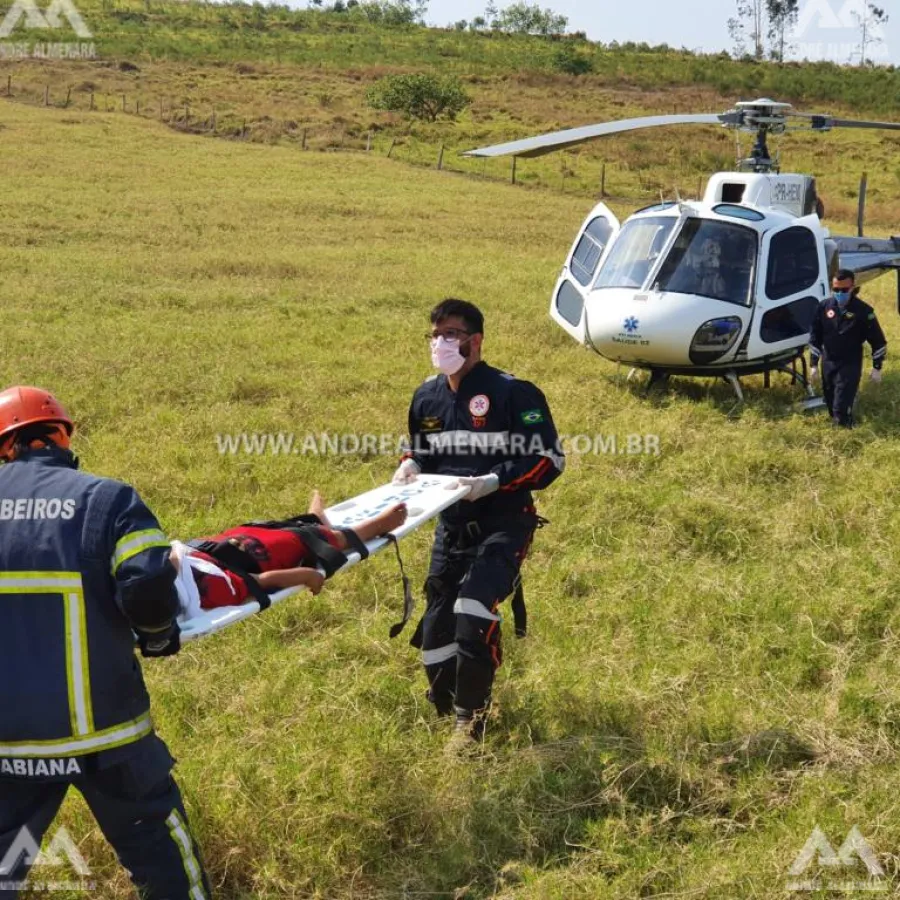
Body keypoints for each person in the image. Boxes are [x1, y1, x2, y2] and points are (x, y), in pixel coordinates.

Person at [0, 386, 211, 900]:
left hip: (9, 743)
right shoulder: (106, 498)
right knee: (160, 856)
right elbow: (144, 580)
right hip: (108, 736)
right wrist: (158, 638)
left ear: (5, 447)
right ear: (61, 436)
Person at [393, 299, 564, 748]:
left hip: (504, 521)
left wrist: (493, 481)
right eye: (434, 335)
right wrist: (409, 464)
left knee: (472, 611)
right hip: (450, 529)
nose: (440, 343)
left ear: (475, 341)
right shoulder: (426, 396)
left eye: (450, 334)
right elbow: (421, 449)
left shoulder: (513, 393)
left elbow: (548, 460)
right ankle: (449, 708)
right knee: (435, 633)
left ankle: (472, 724)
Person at [172, 493, 407, 614]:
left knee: (270, 529)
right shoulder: (210, 588)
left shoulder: (165, 561)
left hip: (224, 546)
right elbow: (260, 582)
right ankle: (372, 528)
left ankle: (316, 519)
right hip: (256, 556)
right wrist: (306, 576)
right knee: (300, 541)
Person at [809, 269, 887, 427]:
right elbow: (815, 337)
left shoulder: (864, 311)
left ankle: (845, 435)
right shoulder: (823, 307)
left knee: (841, 407)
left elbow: (878, 341)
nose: (839, 293)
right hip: (828, 362)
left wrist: (877, 367)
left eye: (844, 290)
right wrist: (813, 364)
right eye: (835, 290)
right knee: (830, 403)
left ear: (852, 287)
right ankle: (840, 424)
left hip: (849, 364)